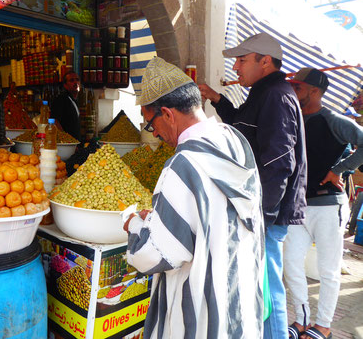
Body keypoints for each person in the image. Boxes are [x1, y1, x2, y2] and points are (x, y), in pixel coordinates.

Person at [124, 57, 265, 338]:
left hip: (201, 313)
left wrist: (135, 226)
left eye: (151, 125)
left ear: (167, 114)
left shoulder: (183, 165)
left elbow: (156, 256)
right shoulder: (235, 141)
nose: (156, 135)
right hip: (242, 297)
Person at [198, 32, 307, 339]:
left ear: (266, 61)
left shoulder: (277, 95)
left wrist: (262, 214)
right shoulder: (262, 93)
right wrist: (218, 100)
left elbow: (280, 161)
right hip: (259, 208)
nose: (236, 68)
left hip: (266, 213)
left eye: (242, 60)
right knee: (261, 283)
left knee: (268, 285)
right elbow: (243, 128)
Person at [284, 68, 363, 339]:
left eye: (298, 87)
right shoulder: (292, 118)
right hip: (298, 206)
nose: (293, 91)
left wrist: (341, 168)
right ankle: (303, 320)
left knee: (328, 270)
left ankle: (324, 325)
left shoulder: (332, 119)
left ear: (314, 91)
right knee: (291, 264)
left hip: (329, 206)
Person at [51, 71, 81, 141]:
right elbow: (55, 121)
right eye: (72, 80)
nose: (75, 82)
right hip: (66, 145)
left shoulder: (74, 100)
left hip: (74, 143)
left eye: (77, 80)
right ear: (65, 85)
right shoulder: (61, 99)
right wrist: (66, 140)